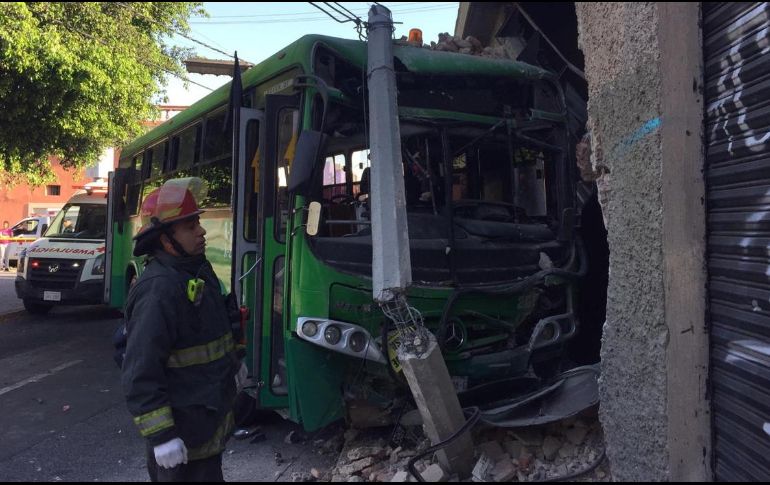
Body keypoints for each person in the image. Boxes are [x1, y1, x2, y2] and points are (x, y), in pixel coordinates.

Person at [121, 177, 247, 482]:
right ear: (166, 239)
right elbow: (141, 371)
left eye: (197, 224)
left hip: (203, 428)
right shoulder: (159, 290)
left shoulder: (198, 271)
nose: (202, 231)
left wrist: (236, 360)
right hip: (181, 439)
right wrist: (162, 436)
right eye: (190, 227)